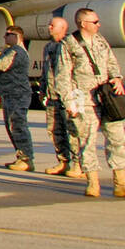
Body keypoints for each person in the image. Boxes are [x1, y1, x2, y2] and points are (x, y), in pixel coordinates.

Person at [54, 7, 125, 197]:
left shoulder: (101, 41)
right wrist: (69, 102)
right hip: (84, 100)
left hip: (106, 98)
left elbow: (112, 63)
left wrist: (117, 79)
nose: (99, 25)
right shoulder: (68, 45)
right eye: (95, 22)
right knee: (87, 142)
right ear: (82, 24)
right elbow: (62, 76)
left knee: (118, 140)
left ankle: (121, 182)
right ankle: (92, 182)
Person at [40, 16, 80, 178]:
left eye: (52, 25)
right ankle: (63, 161)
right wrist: (43, 89)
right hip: (52, 95)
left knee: (73, 131)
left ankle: (78, 164)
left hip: (67, 96)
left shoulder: (70, 45)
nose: (49, 27)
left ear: (63, 27)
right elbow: (46, 71)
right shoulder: (48, 47)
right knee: (54, 130)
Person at [0, 25, 35, 171]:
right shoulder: (10, 51)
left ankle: (26, 158)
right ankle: (21, 156)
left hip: (17, 94)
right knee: (12, 125)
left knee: (17, 125)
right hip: (11, 93)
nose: (4, 37)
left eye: (7, 34)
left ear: (16, 36)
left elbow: (1, 65)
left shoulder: (16, 51)